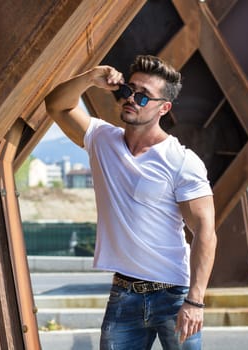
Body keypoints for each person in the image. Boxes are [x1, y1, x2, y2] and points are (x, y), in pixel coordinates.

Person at [44, 55, 217, 350]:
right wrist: (90, 77)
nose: (131, 99)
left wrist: (195, 301)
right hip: (123, 294)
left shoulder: (181, 162)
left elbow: (205, 232)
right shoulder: (101, 139)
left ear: (164, 108)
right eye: (128, 89)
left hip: (174, 296)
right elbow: (55, 105)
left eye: (143, 96)